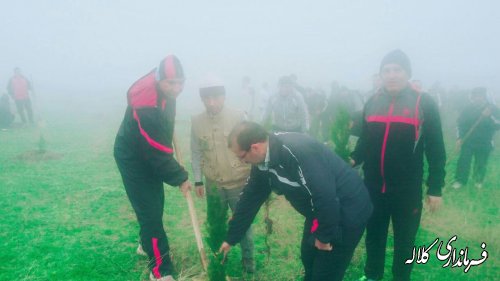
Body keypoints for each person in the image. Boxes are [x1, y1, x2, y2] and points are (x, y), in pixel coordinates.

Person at [219, 121, 373, 281]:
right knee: (308, 257)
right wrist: (231, 238)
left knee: (325, 272)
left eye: (242, 157)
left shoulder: (297, 151)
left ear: (255, 147)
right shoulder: (262, 161)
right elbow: (250, 197)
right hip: (320, 212)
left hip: (347, 210)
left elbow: (325, 195)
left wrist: (324, 237)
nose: (243, 162)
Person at [352, 49, 446, 281]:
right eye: (387, 70)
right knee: (374, 234)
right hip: (373, 187)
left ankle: (401, 277)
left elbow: (436, 148)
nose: (391, 75)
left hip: (407, 189)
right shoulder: (372, 101)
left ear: (407, 73)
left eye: (397, 70)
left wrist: (435, 187)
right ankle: (372, 274)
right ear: (381, 74)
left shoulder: (423, 102)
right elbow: (364, 142)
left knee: (405, 240)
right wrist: (351, 159)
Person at [114, 55, 191, 281]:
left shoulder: (166, 92)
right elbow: (156, 154)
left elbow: (164, 129)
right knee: (151, 215)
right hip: (133, 159)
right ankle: (160, 270)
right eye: (171, 83)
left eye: (180, 82)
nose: (176, 88)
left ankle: (145, 243)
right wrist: (180, 177)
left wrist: (168, 150)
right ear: (158, 79)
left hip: (150, 153)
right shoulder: (146, 105)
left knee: (156, 204)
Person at [190, 75, 255, 273]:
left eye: (216, 98)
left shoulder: (238, 117)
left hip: (239, 183)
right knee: (216, 223)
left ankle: (248, 262)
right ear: (202, 100)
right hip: (214, 185)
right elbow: (195, 152)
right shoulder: (196, 121)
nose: (212, 103)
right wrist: (198, 180)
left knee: (242, 223)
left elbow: (252, 147)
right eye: (207, 99)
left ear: (224, 97)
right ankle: (220, 259)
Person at [452, 87, 499, 189]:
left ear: (484, 97)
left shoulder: (492, 109)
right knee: (464, 160)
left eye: (480, 96)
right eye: (475, 96)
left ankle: (478, 181)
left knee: (481, 162)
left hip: (485, 142)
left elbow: (498, 124)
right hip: (468, 141)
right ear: (472, 97)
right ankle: (460, 181)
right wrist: (459, 138)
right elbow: (459, 124)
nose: (478, 98)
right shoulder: (468, 108)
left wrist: (489, 116)